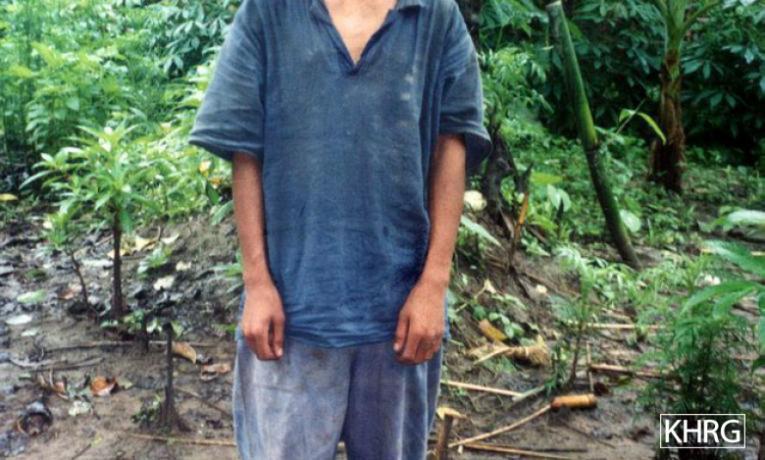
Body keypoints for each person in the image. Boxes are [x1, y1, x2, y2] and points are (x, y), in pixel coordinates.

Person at [188, 0, 491, 456]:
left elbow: (453, 147)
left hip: (399, 316)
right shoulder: (268, 13)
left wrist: (434, 284)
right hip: (291, 314)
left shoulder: (434, 17)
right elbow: (244, 150)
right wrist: (257, 283)